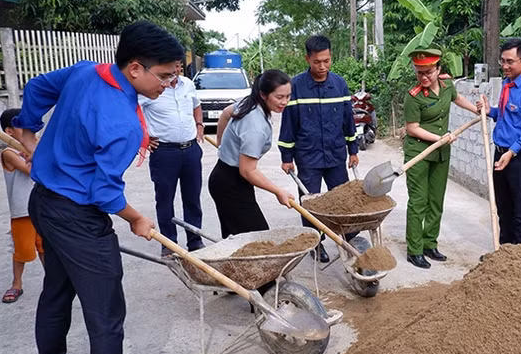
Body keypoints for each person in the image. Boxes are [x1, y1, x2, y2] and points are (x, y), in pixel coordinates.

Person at [14, 20, 182, 354]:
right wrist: (136, 217)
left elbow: (36, 87)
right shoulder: (122, 123)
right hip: (77, 215)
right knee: (106, 307)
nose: (169, 84)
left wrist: (27, 133)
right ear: (136, 68)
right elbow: (104, 194)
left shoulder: (86, 70)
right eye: (165, 76)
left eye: (175, 76)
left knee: (57, 288)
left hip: (44, 202)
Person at [278, 35, 358, 263]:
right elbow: (289, 124)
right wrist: (286, 156)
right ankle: (316, 242)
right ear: (307, 59)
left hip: (335, 155)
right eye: (317, 62)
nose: (322, 67)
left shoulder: (339, 84)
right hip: (308, 157)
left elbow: (347, 121)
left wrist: (353, 150)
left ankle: (349, 238)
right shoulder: (296, 87)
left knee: (342, 200)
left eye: (327, 61)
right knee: (311, 203)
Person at [404, 48, 479, 269]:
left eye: (428, 72)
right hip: (419, 153)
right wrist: (440, 137)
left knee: (436, 201)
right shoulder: (414, 97)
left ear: (438, 69)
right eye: (419, 73)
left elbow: (458, 99)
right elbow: (412, 129)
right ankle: (414, 250)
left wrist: (476, 110)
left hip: (440, 153)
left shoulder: (447, 86)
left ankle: (430, 244)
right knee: (419, 201)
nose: (424, 77)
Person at [209, 70, 295, 239]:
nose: (284, 102)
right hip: (229, 184)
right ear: (263, 94)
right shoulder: (255, 126)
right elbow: (248, 170)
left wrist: (222, 144)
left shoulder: (251, 102)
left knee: (237, 239)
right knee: (257, 240)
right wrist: (278, 191)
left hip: (228, 178)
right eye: (279, 97)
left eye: (288, 96)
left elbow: (226, 113)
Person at [477, 40, 521, 245]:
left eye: (510, 62)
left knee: (520, 209)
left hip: (519, 158)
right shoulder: (507, 84)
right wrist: (491, 111)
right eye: (502, 61)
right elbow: (507, 116)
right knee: (503, 207)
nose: (505, 66)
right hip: (501, 154)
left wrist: (512, 152)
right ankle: (505, 252)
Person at [139, 61, 205, 256]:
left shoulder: (188, 84)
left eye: (178, 66)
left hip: (191, 150)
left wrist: (199, 124)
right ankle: (169, 244)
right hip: (164, 152)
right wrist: (143, 137)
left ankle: (195, 241)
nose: (175, 71)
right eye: (171, 67)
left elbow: (197, 105)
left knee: (192, 199)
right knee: (165, 199)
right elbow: (133, 112)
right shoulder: (151, 89)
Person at [1, 109, 44, 303]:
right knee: (22, 250)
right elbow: (30, 170)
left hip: (42, 209)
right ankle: (16, 284)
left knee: (45, 247)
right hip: (22, 212)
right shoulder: (8, 153)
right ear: (9, 132)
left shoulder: (36, 146)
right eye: (21, 126)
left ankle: (54, 280)